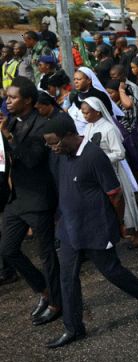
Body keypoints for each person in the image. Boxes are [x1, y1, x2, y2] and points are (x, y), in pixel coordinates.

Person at [42, 113, 138, 349]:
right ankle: (73, 328)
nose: (52, 148)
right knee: (67, 278)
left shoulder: (94, 156)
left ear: (69, 135)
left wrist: (117, 224)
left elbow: (114, 193)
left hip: (96, 227)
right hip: (69, 229)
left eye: (55, 142)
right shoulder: (62, 156)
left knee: (112, 271)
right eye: (49, 144)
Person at [0, 77, 61, 324]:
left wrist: (8, 136)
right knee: (8, 249)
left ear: (27, 100)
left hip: (38, 198)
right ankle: (43, 290)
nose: (8, 101)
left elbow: (32, 159)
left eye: (13, 98)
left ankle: (58, 303)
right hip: (17, 199)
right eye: (7, 97)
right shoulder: (13, 121)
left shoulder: (42, 125)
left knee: (47, 255)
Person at [80, 97, 138, 248]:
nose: (85, 116)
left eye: (87, 113)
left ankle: (137, 231)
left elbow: (120, 153)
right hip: (99, 174)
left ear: (97, 112)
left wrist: (99, 159)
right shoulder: (89, 127)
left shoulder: (108, 128)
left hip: (114, 171)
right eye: (83, 113)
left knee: (125, 204)